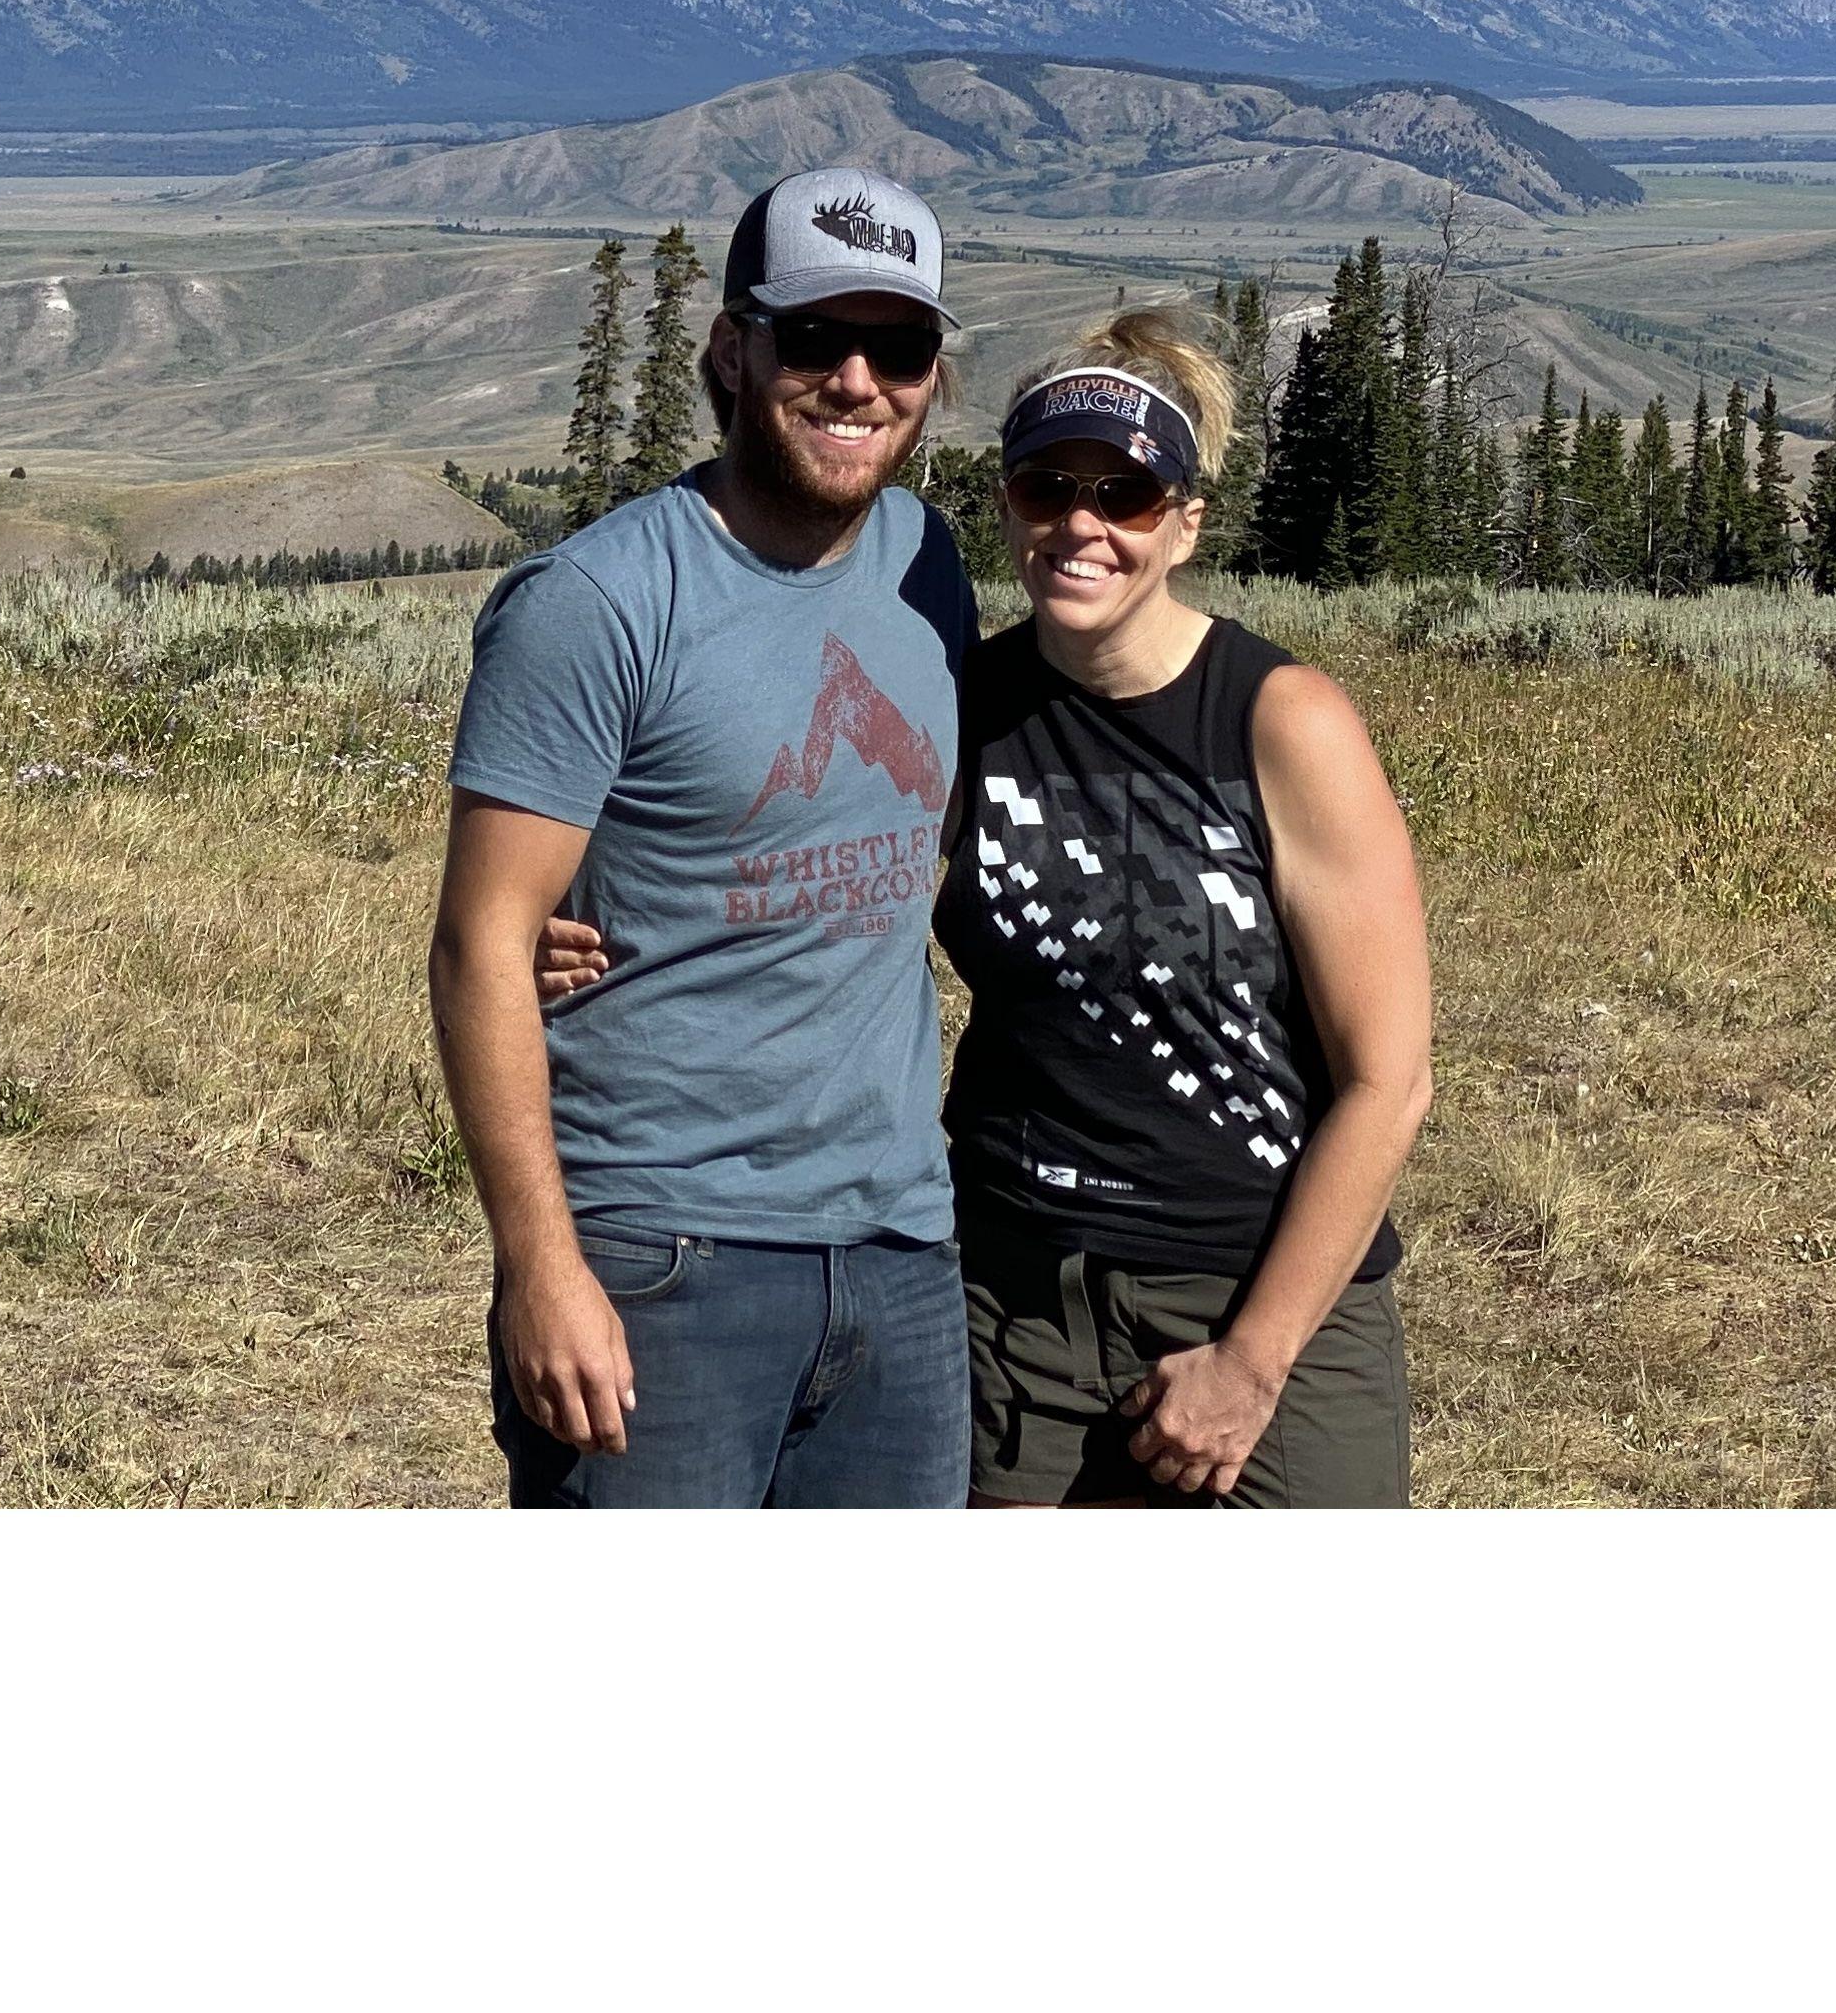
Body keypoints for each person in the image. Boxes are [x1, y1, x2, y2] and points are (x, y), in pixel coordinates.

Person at [540, 305, 1435, 1505]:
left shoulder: (1280, 721)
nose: (1080, 524)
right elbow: (826, 862)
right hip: (1013, 1292)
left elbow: (1390, 1079)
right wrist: (603, 925)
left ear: (1184, 524)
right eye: (1046, 486)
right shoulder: (967, 699)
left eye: (1124, 496)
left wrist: (1254, 1361)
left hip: (1255, 1292)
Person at [429, 166, 979, 1508]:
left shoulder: (927, 566)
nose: (857, 380)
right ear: (732, 352)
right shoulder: (598, 603)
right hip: (661, 1252)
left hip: (902, 1245)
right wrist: (543, 1266)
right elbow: (480, 945)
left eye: (898, 347)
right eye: (813, 340)